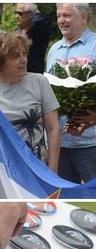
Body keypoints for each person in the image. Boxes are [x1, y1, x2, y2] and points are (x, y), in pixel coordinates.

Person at [46, 3, 96, 183]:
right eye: (59, 16)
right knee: (63, 194)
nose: (61, 20)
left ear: (84, 17)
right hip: (58, 144)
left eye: (67, 15)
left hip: (90, 143)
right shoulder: (54, 49)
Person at [0, 32, 60, 172]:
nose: (23, 60)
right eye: (16, 56)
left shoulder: (39, 82)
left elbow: (53, 128)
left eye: (24, 54)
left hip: (37, 169)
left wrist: (52, 172)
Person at [15, 3, 50, 73]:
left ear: (30, 14)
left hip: (33, 72)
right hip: (18, 72)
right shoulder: (20, 28)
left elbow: (40, 21)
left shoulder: (39, 26)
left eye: (20, 13)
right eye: (16, 13)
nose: (16, 16)